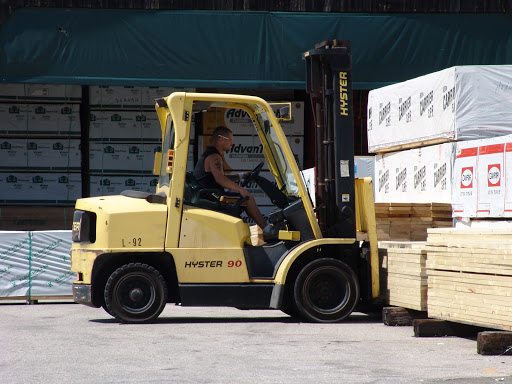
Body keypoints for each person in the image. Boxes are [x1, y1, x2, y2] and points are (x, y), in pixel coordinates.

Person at [193, 126, 278, 241]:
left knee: (245, 197)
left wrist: (241, 176)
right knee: (248, 198)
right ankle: (268, 230)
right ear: (221, 139)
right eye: (230, 140)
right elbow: (220, 179)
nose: (232, 143)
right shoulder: (214, 157)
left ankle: (265, 229)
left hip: (210, 194)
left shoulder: (211, 154)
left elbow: (219, 177)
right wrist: (240, 190)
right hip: (212, 196)